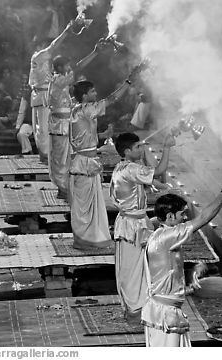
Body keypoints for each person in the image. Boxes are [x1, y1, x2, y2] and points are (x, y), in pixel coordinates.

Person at [141, 175, 222, 346]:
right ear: (169, 217)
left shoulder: (162, 234)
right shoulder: (167, 237)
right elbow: (203, 219)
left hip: (164, 310)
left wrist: (192, 272)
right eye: (182, 214)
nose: (185, 218)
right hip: (165, 314)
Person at [110, 132, 176, 322]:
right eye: (138, 147)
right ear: (127, 151)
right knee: (133, 269)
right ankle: (135, 309)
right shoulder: (131, 169)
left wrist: (163, 187)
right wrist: (167, 147)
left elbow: (150, 181)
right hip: (132, 226)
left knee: (136, 267)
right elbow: (160, 168)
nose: (142, 149)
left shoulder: (123, 168)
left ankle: (136, 307)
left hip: (131, 222)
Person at [68, 76, 135, 250]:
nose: (95, 93)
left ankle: (92, 238)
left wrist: (103, 136)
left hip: (89, 161)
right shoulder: (83, 109)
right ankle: (84, 239)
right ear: (84, 95)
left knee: (92, 205)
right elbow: (112, 99)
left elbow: (84, 136)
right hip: (83, 164)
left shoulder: (83, 111)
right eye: (92, 91)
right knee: (84, 206)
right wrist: (127, 83)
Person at [47, 44, 102, 199]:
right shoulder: (58, 80)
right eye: (67, 66)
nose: (69, 68)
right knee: (60, 159)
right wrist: (94, 52)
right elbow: (77, 68)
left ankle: (65, 188)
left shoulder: (60, 82)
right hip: (60, 127)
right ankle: (63, 188)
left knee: (64, 158)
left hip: (64, 127)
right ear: (59, 67)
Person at [28, 19, 74, 164]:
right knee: (40, 130)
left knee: (44, 128)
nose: (48, 49)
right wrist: (66, 31)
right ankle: (45, 155)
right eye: (45, 46)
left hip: (45, 95)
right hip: (39, 95)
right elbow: (53, 46)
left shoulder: (45, 62)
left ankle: (49, 156)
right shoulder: (38, 56)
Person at [15, 74, 34, 157]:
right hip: (30, 124)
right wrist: (17, 126)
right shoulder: (26, 95)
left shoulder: (46, 93)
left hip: (44, 124)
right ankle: (28, 152)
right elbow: (21, 112)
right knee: (21, 134)